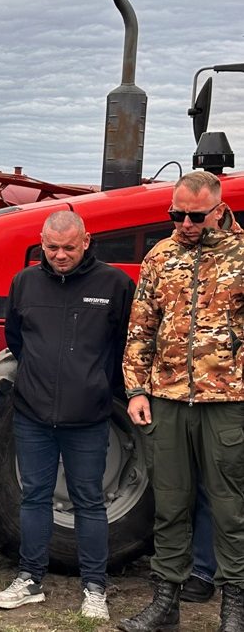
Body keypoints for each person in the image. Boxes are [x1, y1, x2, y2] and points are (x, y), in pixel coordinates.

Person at [0, 211, 134, 621]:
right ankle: (29, 578)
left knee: (89, 500)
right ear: (42, 243)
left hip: (88, 416)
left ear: (86, 241)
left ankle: (94, 587)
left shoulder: (115, 285)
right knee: (33, 496)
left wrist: (99, 388)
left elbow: (126, 343)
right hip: (33, 413)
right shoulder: (25, 283)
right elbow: (17, 339)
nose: (60, 255)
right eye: (52, 248)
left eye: (69, 247)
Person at [119, 170, 244, 632]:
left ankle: (234, 608)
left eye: (195, 216)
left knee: (231, 505)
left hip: (228, 401)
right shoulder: (161, 256)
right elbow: (140, 329)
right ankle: (165, 603)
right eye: (177, 214)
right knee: (170, 503)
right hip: (167, 399)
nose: (185, 224)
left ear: (218, 208)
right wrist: (135, 389)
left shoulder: (242, 254)